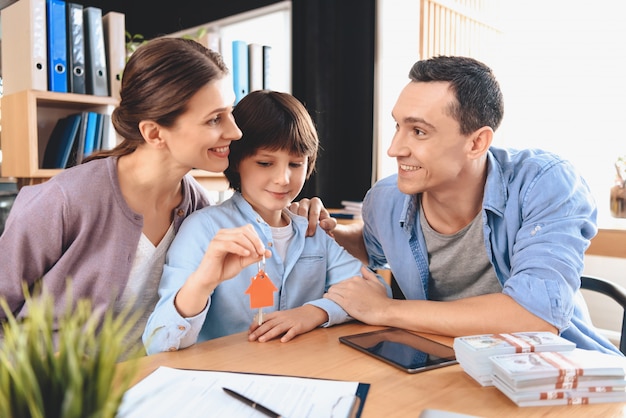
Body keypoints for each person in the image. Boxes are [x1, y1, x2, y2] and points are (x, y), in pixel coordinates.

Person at [0, 38, 326, 349]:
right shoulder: (64, 200)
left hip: (152, 383)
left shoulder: (196, 206)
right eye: (215, 119)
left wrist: (292, 214)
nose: (235, 131)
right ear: (154, 133)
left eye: (230, 112)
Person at [307, 55, 621, 355]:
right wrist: (325, 230)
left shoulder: (545, 183)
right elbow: (373, 246)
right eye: (397, 126)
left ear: (476, 143)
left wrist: (386, 310)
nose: (394, 149)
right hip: (448, 365)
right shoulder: (385, 198)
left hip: (558, 374)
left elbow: (534, 319)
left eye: (418, 131)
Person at [143, 90, 390, 354]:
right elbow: (158, 343)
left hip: (299, 371)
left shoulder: (311, 230)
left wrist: (314, 312)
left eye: (295, 164)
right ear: (237, 161)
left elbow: (376, 291)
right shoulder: (203, 229)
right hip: (225, 376)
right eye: (265, 163)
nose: (283, 178)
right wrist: (203, 282)